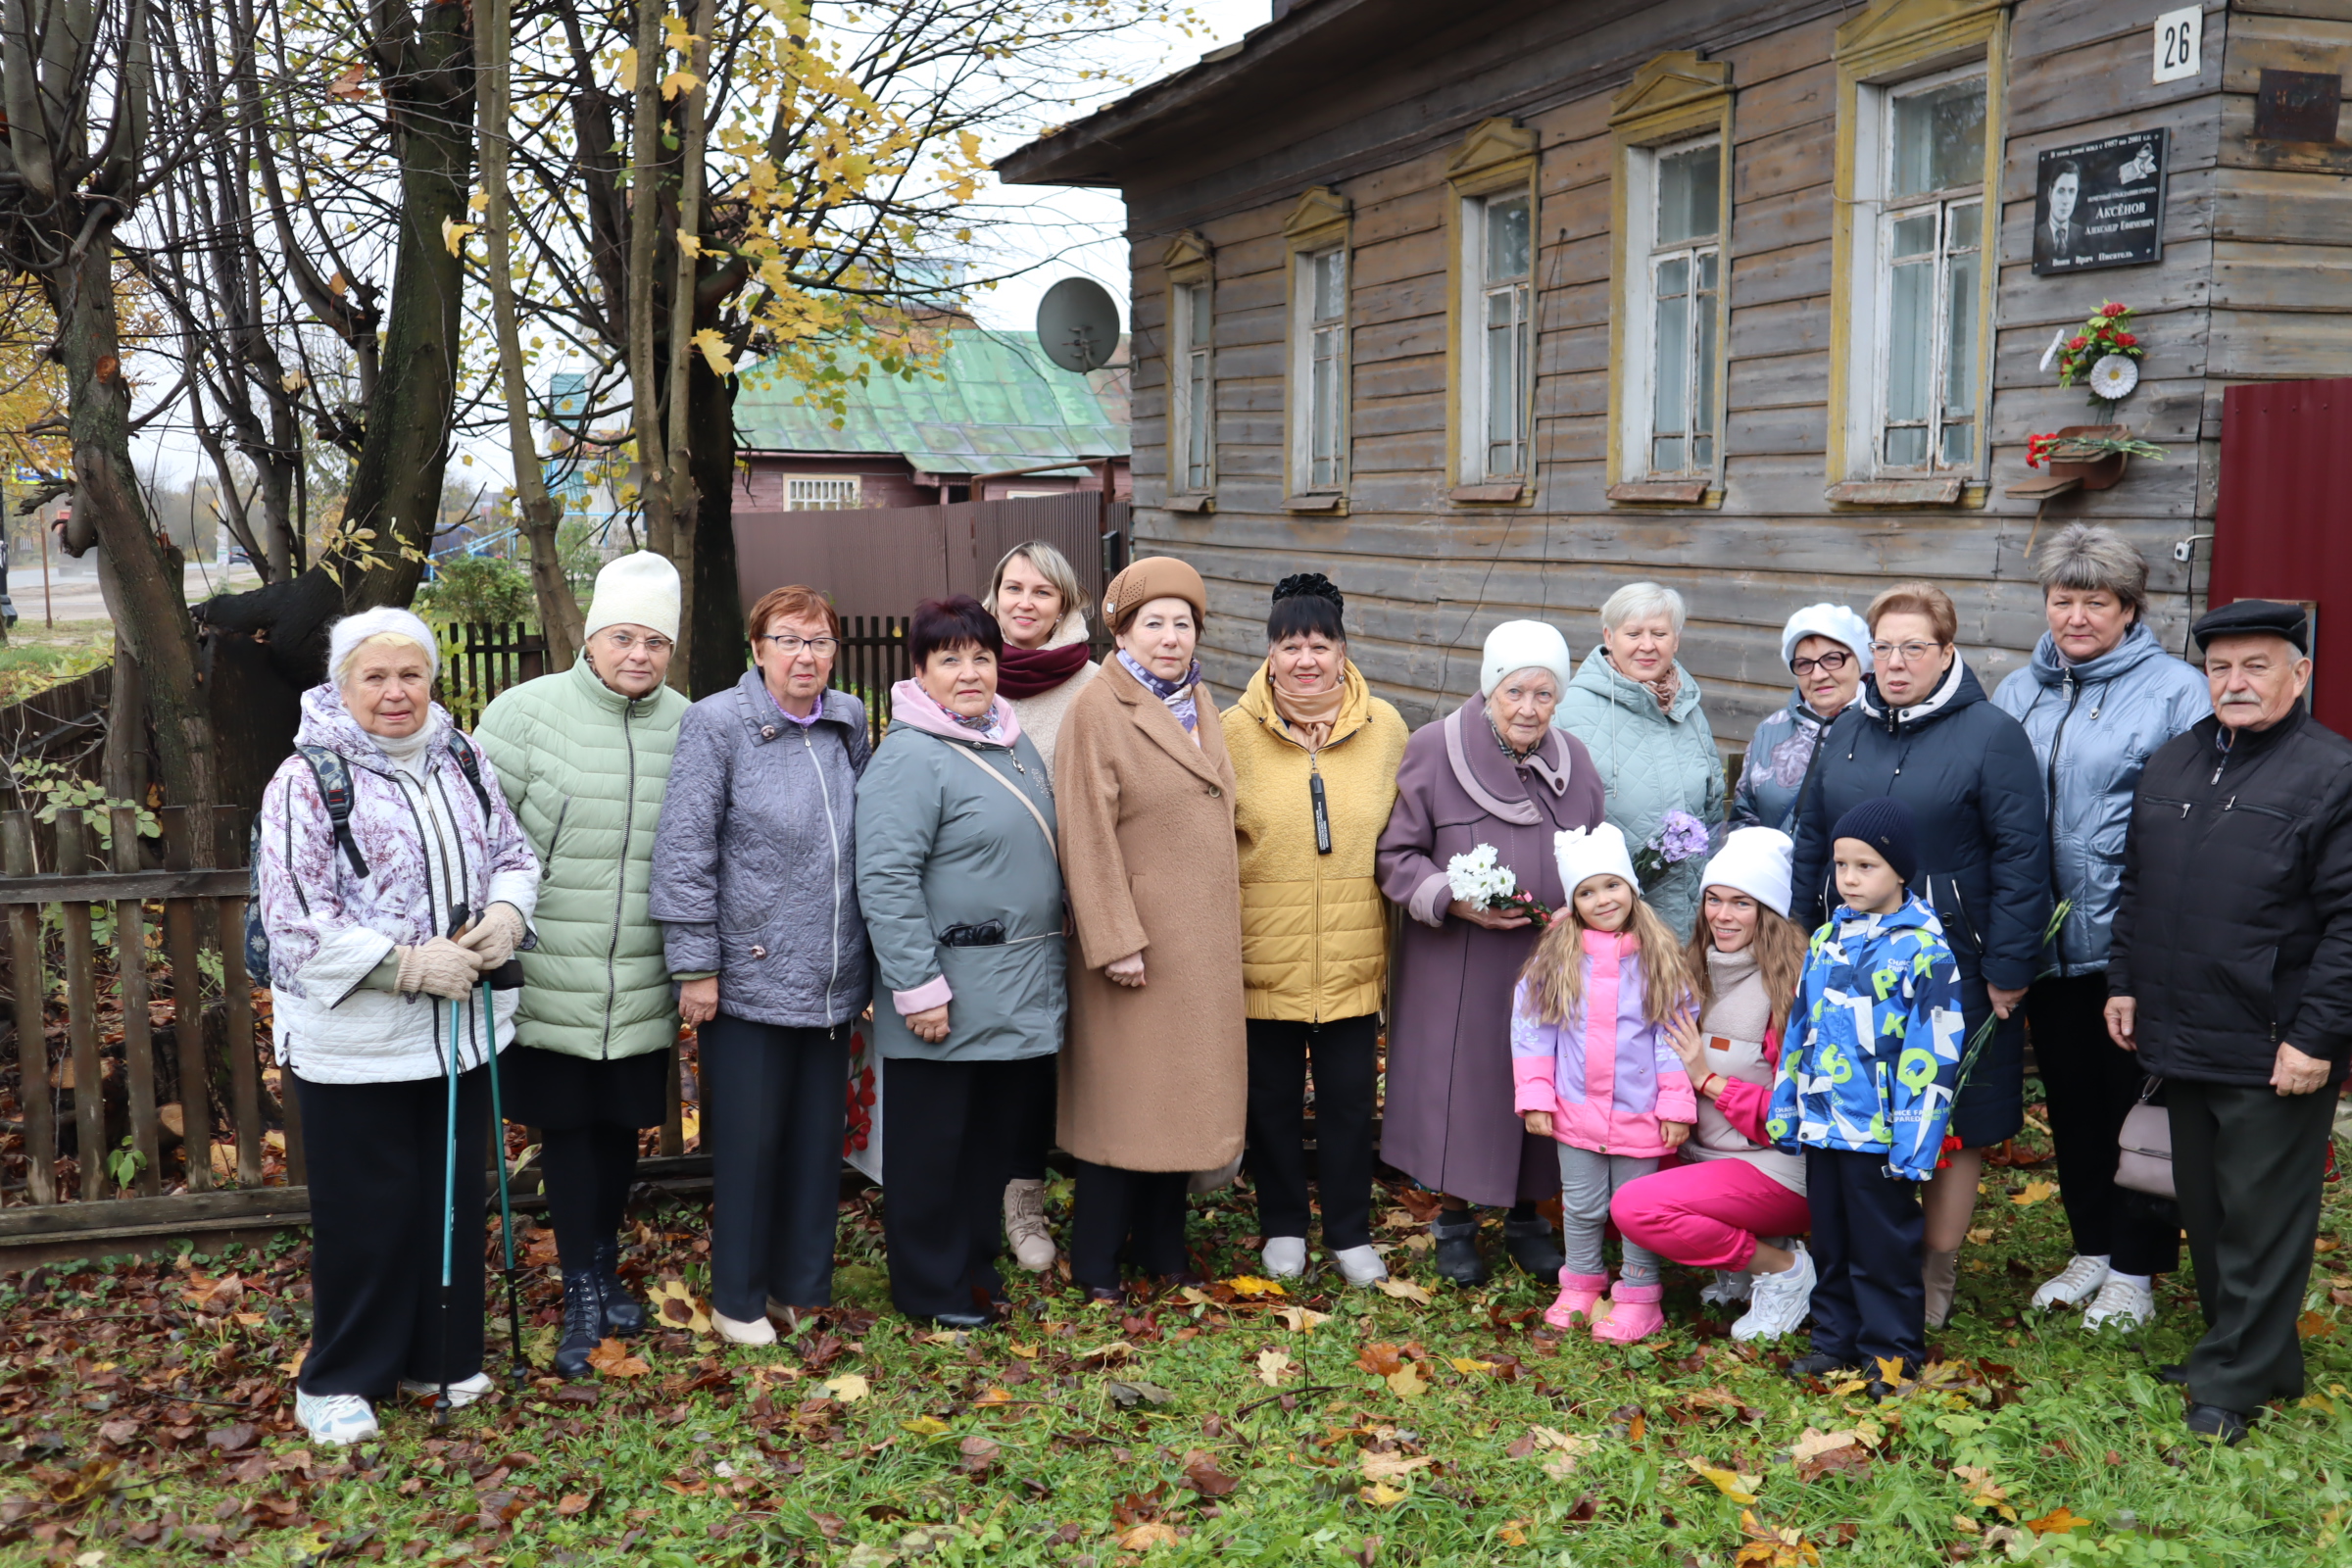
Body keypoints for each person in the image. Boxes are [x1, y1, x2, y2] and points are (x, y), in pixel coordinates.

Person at [255, 608, 541, 1446]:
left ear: (431, 681)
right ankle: (339, 1380)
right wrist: (406, 965)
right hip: (358, 1046)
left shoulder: (461, 757)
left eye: (410, 674)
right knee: (368, 1215)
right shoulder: (304, 781)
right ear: (342, 686)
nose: (394, 692)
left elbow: (515, 855)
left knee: (450, 1205)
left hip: (458, 1033)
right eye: (374, 677)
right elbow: (294, 918)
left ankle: (440, 1356)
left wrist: (505, 916)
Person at [2106, 599, 2352, 1446]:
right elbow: (2138, 886)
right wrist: (2126, 980)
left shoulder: (2331, 773)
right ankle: (2252, 1353)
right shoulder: (2177, 761)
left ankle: (2235, 1377)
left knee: (2261, 1211)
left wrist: (2318, 1035)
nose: (2236, 682)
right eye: (2221, 667)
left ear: (2300, 674)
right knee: (2207, 1207)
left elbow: (2350, 919)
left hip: (2272, 1035)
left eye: (2257, 665)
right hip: (2182, 1028)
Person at [1788, 582, 2049, 1329]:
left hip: (1952, 964)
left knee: (1948, 1112)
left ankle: (1935, 1263)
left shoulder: (1990, 735)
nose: (1895, 664)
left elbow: (2023, 857)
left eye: (1914, 648)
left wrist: (2007, 967)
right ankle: (1868, 1261)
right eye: (1883, 648)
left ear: (1947, 652)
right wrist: (1803, 937)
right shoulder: (1845, 730)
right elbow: (1812, 835)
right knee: (1859, 1108)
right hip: (1851, 965)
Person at [475, 553, 692, 1379]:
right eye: (624, 637)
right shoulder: (524, 714)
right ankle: (582, 1294)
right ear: (592, 638)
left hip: (640, 969)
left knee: (620, 1132)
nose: (639, 655)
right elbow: (487, 840)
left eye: (656, 643)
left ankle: (600, 1272)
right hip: (553, 968)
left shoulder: (689, 723)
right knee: (567, 1134)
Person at [1991, 525, 2208, 1332]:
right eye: (2062, 599)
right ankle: (2090, 1247)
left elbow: (2186, 828)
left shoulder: (2177, 692)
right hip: (2044, 946)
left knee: (2138, 1111)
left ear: (2128, 608)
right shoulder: (2020, 692)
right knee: (2074, 1103)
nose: (2076, 617)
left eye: (2096, 601)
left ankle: (2137, 1270)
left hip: (2130, 943)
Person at [650, 584, 870, 1344]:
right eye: (789, 640)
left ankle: (799, 1288)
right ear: (758, 649)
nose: (804, 656)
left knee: (816, 1144)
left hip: (831, 977)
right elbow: (684, 850)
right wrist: (695, 966)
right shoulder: (718, 725)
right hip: (747, 976)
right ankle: (738, 1300)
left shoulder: (849, 722)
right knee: (749, 1148)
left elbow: (864, 843)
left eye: (819, 642)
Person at [855, 595, 1065, 1328]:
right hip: (947, 987)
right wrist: (917, 986)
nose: (969, 672)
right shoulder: (910, 755)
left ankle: (974, 1271)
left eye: (981, 656)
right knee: (931, 1154)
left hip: (1014, 986)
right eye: (950, 659)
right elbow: (885, 877)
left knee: (984, 1146)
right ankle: (929, 1288)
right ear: (920, 670)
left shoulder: (1009, 740)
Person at [1377, 620, 1602, 1285]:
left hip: (1549, 958)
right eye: (1515, 691)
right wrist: (1452, 898)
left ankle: (1530, 1216)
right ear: (1489, 688)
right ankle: (1453, 1220)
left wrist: (1585, 904)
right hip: (1461, 962)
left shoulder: (1576, 761)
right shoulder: (1433, 750)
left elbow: (1593, 848)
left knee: (1542, 1081)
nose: (1530, 707)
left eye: (1545, 693)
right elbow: (1396, 856)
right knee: (1464, 1083)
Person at [1054, 557, 1246, 1298]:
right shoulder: (1099, 709)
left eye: (1183, 623)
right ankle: (1098, 1259)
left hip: (1197, 947)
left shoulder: (1198, 701)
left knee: (1180, 1105)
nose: (1171, 637)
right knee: (1123, 1112)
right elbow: (1086, 835)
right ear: (1122, 631)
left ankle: (1163, 1247)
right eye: (1153, 623)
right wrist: (1115, 941)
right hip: (1137, 947)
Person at [1225, 573, 1408, 1286]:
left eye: (1320, 644)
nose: (1307, 659)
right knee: (1269, 1103)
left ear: (1342, 651)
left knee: (1349, 1102)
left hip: (1353, 955)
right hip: (1262, 955)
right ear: (1270, 654)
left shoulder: (1385, 728)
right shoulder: (1233, 731)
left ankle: (1349, 1232)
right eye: (1291, 644)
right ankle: (1280, 1226)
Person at [1769, 799, 1966, 1393]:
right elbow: (1799, 1028)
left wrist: (1915, 1139)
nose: (1849, 879)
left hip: (1881, 1133)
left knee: (1882, 1247)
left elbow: (1932, 1052)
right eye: (1842, 866)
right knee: (1831, 1240)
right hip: (1825, 1122)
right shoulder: (1827, 938)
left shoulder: (1925, 950)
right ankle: (1834, 1342)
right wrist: (1787, 1103)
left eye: (1866, 866)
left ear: (1901, 871)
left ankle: (1890, 1357)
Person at [1613, 827, 1815, 1343]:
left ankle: (1782, 1267)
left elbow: (1801, 1117)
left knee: (1637, 1206)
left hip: (1774, 1167)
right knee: (1605, 1178)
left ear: (1767, 912)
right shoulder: (1688, 970)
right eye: (1714, 899)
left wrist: (1707, 1079)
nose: (1722, 916)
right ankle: (1738, 1265)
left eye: (1741, 904)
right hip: (1700, 1152)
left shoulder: (1794, 988)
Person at [1512, 823, 1696, 1344]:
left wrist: (1676, 1105)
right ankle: (1583, 1282)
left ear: (1631, 888)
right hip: (1575, 1108)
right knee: (1583, 1202)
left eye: (1611, 885)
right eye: (1586, 892)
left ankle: (1640, 1294)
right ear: (1573, 900)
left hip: (1642, 1110)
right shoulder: (1556, 957)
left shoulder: (1660, 956)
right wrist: (1536, 1096)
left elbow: (1675, 1036)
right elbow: (1531, 1031)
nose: (1602, 899)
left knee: (1635, 1209)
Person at [982, 540, 1099, 1274]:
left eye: (1042, 593)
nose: (1025, 603)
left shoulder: (1093, 688)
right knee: (986, 1063)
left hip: (1064, 908)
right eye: (1012, 587)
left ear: (1066, 605)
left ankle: (1030, 1201)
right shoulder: (960, 670)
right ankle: (982, 1197)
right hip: (974, 912)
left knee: (1049, 1064)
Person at [1554, 582, 1724, 938]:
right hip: (1610, 928)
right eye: (1634, 633)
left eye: (1659, 633)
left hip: (1690, 924)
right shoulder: (1568, 714)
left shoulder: (1690, 710)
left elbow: (1712, 815)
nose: (1647, 645)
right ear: (1609, 636)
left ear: (1675, 641)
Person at [1733, 605, 1872, 832]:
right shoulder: (1769, 730)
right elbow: (1742, 810)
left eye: (1832, 659)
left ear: (1859, 662)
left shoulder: (1885, 730)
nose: (1818, 675)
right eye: (1805, 664)